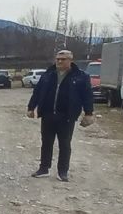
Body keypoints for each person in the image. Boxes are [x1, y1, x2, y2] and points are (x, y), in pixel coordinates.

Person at [26, 49, 94, 182]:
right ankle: (43, 168)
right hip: (48, 114)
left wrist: (89, 113)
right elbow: (38, 91)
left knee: (64, 144)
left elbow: (87, 96)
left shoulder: (80, 76)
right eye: (58, 59)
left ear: (70, 61)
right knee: (46, 143)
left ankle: (62, 171)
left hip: (66, 116)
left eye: (63, 59)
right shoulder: (48, 74)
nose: (59, 61)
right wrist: (31, 107)